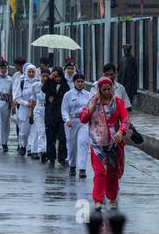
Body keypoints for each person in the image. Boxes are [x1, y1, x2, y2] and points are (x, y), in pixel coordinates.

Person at [79, 77, 130, 211]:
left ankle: (112, 197)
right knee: (100, 172)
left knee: (112, 172)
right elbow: (83, 118)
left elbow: (125, 120)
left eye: (109, 89)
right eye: (104, 90)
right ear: (99, 90)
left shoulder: (118, 102)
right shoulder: (93, 102)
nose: (107, 92)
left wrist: (121, 132)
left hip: (113, 144)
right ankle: (98, 200)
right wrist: (92, 107)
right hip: (97, 144)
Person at [61, 73, 92, 178]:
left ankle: (82, 169)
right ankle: (72, 165)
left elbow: (91, 109)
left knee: (83, 143)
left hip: (84, 121)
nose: (80, 83)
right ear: (74, 82)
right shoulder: (68, 95)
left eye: (82, 81)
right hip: (72, 122)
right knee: (72, 146)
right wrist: (67, 119)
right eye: (78, 81)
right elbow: (64, 109)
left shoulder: (88, 95)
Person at [42, 67, 70, 167]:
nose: (57, 79)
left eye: (59, 76)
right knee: (50, 138)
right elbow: (44, 89)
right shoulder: (50, 84)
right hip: (50, 115)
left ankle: (62, 158)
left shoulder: (65, 86)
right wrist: (50, 78)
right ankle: (51, 157)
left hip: (61, 116)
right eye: (56, 77)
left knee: (62, 137)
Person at [15, 64, 38, 156]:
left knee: (34, 131)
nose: (31, 74)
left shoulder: (38, 82)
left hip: (35, 109)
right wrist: (26, 103)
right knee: (24, 132)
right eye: (29, 71)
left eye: (33, 72)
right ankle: (23, 145)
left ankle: (33, 150)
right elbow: (18, 97)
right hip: (24, 110)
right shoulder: (22, 82)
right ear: (26, 72)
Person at [31, 69, 50, 161]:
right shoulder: (35, 86)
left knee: (47, 131)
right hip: (38, 109)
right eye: (43, 76)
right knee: (41, 130)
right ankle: (42, 151)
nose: (45, 78)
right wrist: (31, 114)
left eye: (47, 76)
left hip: (48, 110)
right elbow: (33, 100)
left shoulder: (51, 86)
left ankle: (46, 149)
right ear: (40, 76)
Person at [11, 57, 27, 151]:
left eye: (16, 65)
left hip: (26, 104)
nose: (15, 67)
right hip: (18, 103)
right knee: (18, 123)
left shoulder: (29, 75)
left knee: (27, 125)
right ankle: (19, 144)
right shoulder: (16, 76)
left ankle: (27, 145)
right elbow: (13, 90)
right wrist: (13, 103)